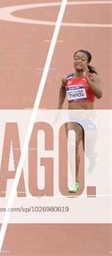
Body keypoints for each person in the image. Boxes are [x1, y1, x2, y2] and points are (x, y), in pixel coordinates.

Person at [57, 49, 102, 193]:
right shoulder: (68, 78)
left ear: (88, 62)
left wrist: (87, 79)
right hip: (73, 119)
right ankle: (74, 181)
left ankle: (92, 158)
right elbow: (62, 90)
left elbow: (99, 94)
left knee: (87, 151)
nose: (79, 61)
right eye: (76, 58)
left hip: (88, 120)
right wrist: (58, 109)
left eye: (82, 59)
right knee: (72, 147)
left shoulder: (93, 77)